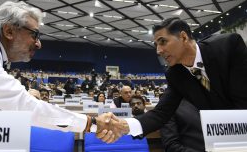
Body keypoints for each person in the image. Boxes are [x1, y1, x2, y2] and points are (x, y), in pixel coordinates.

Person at [0, 1, 114, 135]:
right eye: (34, 34)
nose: (39, 44)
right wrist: (90, 123)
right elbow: (24, 107)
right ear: (9, 31)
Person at [96, 17, 247, 143]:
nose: (158, 51)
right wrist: (124, 125)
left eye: (163, 42)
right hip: (224, 137)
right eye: (156, 45)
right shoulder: (175, 74)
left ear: (183, 37)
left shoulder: (228, 46)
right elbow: (161, 113)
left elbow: (242, 99)